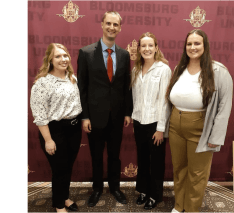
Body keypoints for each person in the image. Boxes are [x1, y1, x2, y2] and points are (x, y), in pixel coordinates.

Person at [165, 29, 233, 213]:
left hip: (201, 128)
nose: (192, 47)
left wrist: (216, 136)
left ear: (205, 46)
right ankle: (179, 206)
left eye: (197, 43)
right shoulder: (179, 68)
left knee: (197, 174)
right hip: (176, 125)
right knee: (180, 170)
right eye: (189, 44)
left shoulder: (218, 71)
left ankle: (192, 209)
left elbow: (224, 107)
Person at [77, 11, 132, 207]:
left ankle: (115, 188)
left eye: (115, 24)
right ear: (102, 24)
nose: (111, 27)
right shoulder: (86, 53)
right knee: (96, 155)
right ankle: (97, 189)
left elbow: (126, 86)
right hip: (94, 117)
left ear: (120, 28)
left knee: (115, 156)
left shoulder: (125, 55)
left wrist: (127, 112)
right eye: (108, 23)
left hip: (117, 116)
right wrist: (85, 117)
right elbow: (81, 88)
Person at [30, 43, 82, 213]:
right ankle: (59, 206)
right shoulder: (42, 83)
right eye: (58, 56)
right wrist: (48, 140)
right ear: (50, 60)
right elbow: (40, 115)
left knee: (67, 167)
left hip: (74, 129)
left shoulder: (72, 78)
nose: (63, 59)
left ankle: (64, 197)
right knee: (59, 169)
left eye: (65, 55)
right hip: (54, 131)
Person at [130, 32, 171, 210]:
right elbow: (135, 97)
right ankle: (144, 191)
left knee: (156, 162)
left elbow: (165, 101)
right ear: (139, 49)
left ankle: (155, 195)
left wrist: (161, 128)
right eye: (143, 46)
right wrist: (133, 119)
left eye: (150, 45)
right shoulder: (135, 70)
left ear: (156, 48)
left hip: (156, 124)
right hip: (139, 122)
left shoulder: (163, 69)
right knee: (142, 159)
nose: (146, 49)